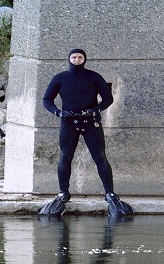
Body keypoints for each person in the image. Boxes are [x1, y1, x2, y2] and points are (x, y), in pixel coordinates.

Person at [38, 48, 134, 217]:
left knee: (100, 157)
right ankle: (63, 193)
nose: (76, 60)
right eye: (74, 57)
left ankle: (110, 193)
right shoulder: (60, 78)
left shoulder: (94, 77)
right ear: (69, 59)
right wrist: (58, 112)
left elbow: (108, 98)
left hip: (91, 123)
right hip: (69, 123)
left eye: (80, 57)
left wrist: (96, 110)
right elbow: (46, 100)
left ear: (85, 59)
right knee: (65, 157)